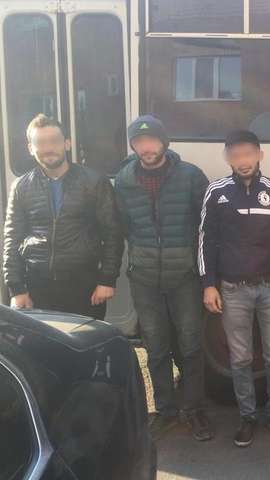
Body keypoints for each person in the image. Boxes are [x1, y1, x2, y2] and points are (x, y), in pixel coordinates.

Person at [114, 115, 213, 442]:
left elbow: (207, 225)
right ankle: (165, 410)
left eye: (152, 140)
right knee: (155, 348)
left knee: (191, 346)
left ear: (164, 142)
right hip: (144, 278)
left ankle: (194, 410)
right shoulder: (124, 180)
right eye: (139, 142)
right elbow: (123, 225)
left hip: (184, 275)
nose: (146, 147)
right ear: (133, 146)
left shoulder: (190, 176)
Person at [199, 130, 270, 447]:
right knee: (240, 358)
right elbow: (206, 242)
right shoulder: (216, 192)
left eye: (248, 154)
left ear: (260, 155)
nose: (243, 161)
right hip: (232, 290)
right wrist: (208, 285)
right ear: (228, 158)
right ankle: (247, 417)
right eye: (236, 156)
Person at [3, 114, 122, 318]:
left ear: (67, 144)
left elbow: (113, 234)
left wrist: (107, 280)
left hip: (84, 284)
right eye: (40, 142)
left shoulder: (94, 182)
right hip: (37, 286)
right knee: (42, 340)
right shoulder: (21, 187)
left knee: (83, 339)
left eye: (54, 141)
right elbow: (11, 238)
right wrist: (16, 288)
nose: (48, 148)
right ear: (30, 148)